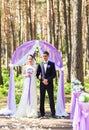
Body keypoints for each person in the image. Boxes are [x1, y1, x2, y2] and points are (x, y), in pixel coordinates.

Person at [36, 51, 56, 118]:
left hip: (49, 84)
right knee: (42, 98)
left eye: (45, 56)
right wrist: (41, 79)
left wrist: (47, 80)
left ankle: (53, 113)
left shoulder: (52, 64)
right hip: (42, 84)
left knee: (51, 98)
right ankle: (42, 113)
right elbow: (37, 74)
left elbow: (54, 74)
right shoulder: (40, 64)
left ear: (48, 56)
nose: (44, 57)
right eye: (43, 56)